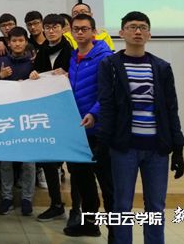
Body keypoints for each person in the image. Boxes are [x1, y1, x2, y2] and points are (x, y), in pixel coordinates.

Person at [98, 11, 184, 244]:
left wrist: (178, 147)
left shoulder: (162, 67)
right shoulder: (110, 65)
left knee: (155, 207)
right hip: (123, 148)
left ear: (149, 34)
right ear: (121, 32)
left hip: (157, 149)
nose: (138, 31)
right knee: (121, 205)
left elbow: (171, 109)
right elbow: (106, 106)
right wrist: (103, 143)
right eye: (132, 27)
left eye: (143, 27)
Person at [65, 13, 114, 241]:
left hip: (99, 131)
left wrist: (94, 113)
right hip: (78, 131)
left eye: (84, 29)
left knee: (108, 184)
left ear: (94, 32)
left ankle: (116, 232)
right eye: (76, 29)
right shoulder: (74, 56)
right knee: (83, 181)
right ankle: (90, 224)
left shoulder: (105, 58)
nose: (80, 32)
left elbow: (108, 92)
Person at [29, 14, 72, 222]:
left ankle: (78, 209)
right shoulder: (42, 51)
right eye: (47, 27)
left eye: (55, 27)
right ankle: (56, 204)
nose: (51, 31)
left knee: (74, 164)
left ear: (63, 29)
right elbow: (36, 76)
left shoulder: (72, 51)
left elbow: (80, 77)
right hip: (47, 113)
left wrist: (69, 75)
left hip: (69, 113)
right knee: (48, 160)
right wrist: (33, 76)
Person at [0, 26, 35, 217]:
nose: (17, 44)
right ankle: (7, 197)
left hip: (28, 118)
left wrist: (36, 80)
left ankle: (27, 199)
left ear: (26, 42)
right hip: (5, 117)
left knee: (28, 161)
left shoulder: (33, 62)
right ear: (8, 43)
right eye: (14, 41)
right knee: (6, 160)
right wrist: (0, 77)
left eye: (21, 40)